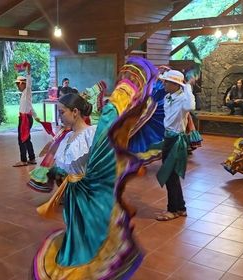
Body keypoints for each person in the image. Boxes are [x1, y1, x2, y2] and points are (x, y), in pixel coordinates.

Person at [31, 57, 159, 279]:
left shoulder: (92, 135)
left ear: (75, 113)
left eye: (62, 112)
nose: (59, 116)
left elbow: (106, 139)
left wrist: (125, 89)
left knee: (93, 235)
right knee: (76, 230)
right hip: (73, 196)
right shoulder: (67, 136)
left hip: (90, 193)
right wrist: (56, 173)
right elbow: (64, 166)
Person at [155, 70, 196, 221]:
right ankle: (180, 208)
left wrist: (187, 87)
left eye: (166, 82)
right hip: (168, 137)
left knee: (169, 175)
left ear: (175, 84)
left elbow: (191, 106)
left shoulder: (184, 99)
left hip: (176, 140)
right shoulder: (167, 97)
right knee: (171, 176)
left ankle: (172, 210)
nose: (163, 83)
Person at [13, 63, 40, 167]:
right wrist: (35, 115)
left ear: (22, 84)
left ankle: (23, 160)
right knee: (27, 138)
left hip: (25, 119)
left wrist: (28, 71)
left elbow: (29, 82)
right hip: (26, 118)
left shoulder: (27, 90)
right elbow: (30, 106)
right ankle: (32, 158)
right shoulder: (24, 95)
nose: (17, 86)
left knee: (21, 139)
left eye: (18, 84)